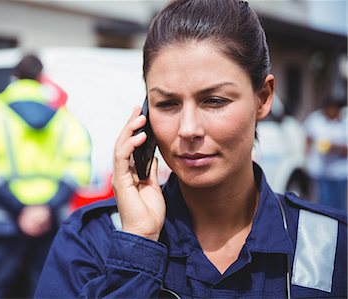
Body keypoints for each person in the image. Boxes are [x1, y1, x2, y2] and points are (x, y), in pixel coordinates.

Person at [35, 1, 347, 298]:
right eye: (167, 104)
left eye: (214, 101)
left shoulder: (334, 242)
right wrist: (137, 247)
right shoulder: (91, 240)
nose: (188, 129)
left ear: (263, 98)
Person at [0, 53, 92, 298]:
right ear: (41, 78)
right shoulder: (65, 118)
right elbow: (78, 169)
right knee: (42, 288)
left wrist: (21, 209)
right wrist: (44, 209)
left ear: (15, 77)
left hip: (2, 217)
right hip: (48, 220)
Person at [303, 97, 347, 211]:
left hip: (339, 172)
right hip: (321, 171)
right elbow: (308, 137)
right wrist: (307, 156)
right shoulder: (316, 119)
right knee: (323, 203)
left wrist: (333, 147)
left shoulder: (344, 122)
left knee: (338, 205)